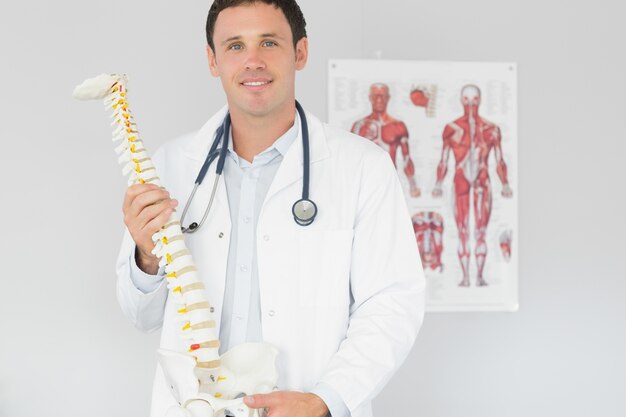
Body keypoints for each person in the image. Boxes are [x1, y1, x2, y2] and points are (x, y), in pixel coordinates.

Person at [116, 1, 425, 416]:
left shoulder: (362, 167)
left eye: (268, 42)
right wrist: (147, 257)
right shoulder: (171, 165)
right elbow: (141, 316)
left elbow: (392, 304)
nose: (253, 61)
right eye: (235, 46)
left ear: (300, 52)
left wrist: (327, 399)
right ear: (213, 60)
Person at [432, 84, 513, 287]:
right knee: (462, 231)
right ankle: (465, 277)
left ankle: (479, 277)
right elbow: (444, 160)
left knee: (480, 232)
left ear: (480, 101)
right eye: (466, 100)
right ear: (461, 101)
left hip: (482, 181)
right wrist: (438, 184)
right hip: (460, 180)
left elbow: (499, 160)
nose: (470, 104)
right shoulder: (452, 129)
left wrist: (505, 184)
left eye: (474, 100)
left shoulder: (491, 130)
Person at [351, 83, 421, 198]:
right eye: (375, 96)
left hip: (388, 183)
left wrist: (412, 185)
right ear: (370, 98)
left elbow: (406, 158)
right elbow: (351, 158)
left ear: (388, 98)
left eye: (382, 96)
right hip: (364, 185)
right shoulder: (359, 126)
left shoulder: (398, 126)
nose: (379, 100)